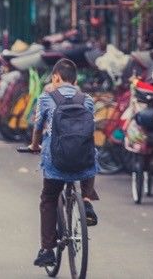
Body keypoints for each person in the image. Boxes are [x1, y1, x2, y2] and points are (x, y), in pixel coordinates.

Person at [25, 58, 99, 267]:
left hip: (56, 162)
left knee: (48, 198)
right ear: (75, 80)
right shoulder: (87, 99)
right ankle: (86, 200)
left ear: (56, 76)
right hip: (83, 162)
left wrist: (34, 145)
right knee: (90, 153)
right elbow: (89, 131)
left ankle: (47, 249)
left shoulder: (46, 98)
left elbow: (38, 127)